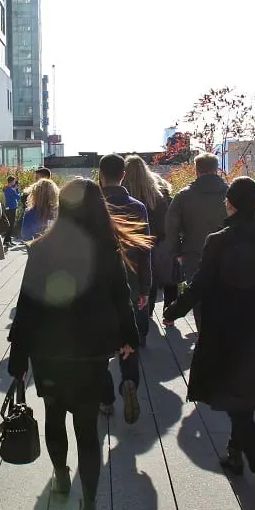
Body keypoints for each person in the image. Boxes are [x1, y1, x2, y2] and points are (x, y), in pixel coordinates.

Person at [8, 178, 148, 510]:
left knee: (54, 415)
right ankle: (88, 509)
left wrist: (19, 356)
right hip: (90, 354)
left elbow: (27, 306)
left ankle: (59, 475)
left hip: (48, 352)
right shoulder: (106, 249)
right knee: (88, 433)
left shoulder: (41, 249)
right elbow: (121, 298)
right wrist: (129, 338)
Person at [163, 176, 255, 510]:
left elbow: (200, 285)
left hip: (225, 339)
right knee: (245, 402)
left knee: (239, 409)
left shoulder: (218, 242)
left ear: (231, 203)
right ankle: (234, 455)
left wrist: (173, 310)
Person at [98, 153, 151, 423]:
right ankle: (129, 380)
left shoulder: (92, 206)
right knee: (128, 336)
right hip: (129, 282)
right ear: (123, 176)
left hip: (97, 286)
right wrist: (145, 288)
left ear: (101, 174)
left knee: (98, 345)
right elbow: (144, 250)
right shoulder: (138, 207)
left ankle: (106, 399)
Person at [165, 152, 229, 330]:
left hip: (193, 255)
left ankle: (204, 336)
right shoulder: (230, 193)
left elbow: (171, 228)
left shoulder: (184, 196)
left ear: (196, 170)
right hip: (227, 254)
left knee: (198, 297)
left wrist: (177, 253)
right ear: (216, 169)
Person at [122, 156, 176, 317]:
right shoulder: (159, 189)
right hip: (158, 240)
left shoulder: (125, 191)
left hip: (132, 242)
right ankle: (168, 314)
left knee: (141, 277)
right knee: (163, 276)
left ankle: (146, 311)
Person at [2, 175, 21, 247]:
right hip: (12, 208)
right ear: (12, 181)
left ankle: (8, 240)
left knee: (9, 224)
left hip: (8, 208)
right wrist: (16, 189)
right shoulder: (11, 189)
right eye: (14, 181)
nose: (15, 182)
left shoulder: (6, 188)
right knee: (11, 225)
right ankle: (6, 241)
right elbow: (18, 197)